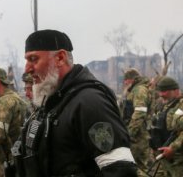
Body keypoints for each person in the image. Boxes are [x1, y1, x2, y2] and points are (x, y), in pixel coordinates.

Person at [14, 29, 137, 177]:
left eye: (34, 59)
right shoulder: (51, 102)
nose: (27, 69)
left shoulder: (90, 102)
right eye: (27, 60)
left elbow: (121, 170)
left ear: (60, 58)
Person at [149, 76, 183, 177]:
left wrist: (172, 148)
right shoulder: (161, 106)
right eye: (160, 91)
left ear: (175, 90)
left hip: (181, 160)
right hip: (164, 157)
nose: (162, 94)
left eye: (165, 91)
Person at [124, 68, 154, 177]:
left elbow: (140, 113)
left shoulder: (139, 90)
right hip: (137, 135)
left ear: (131, 80)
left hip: (138, 137)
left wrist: (129, 134)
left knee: (139, 168)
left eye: (126, 80)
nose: (125, 83)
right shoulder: (137, 90)